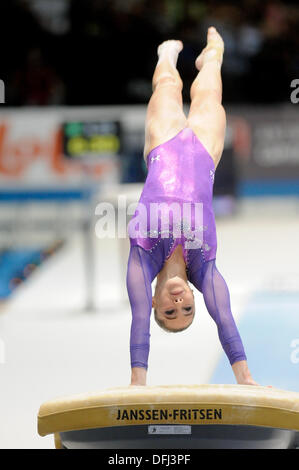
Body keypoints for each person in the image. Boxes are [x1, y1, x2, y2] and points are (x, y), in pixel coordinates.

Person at [126, 27, 257, 387]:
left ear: (155, 302)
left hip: (163, 146)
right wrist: (244, 380)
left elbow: (139, 321)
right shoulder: (205, 269)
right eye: (187, 310)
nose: (179, 302)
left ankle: (166, 54)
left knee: (168, 85)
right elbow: (226, 319)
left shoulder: (142, 262)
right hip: (203, 154)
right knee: (210, 88)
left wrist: (139, 383)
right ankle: (211, 55)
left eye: (170, 312)